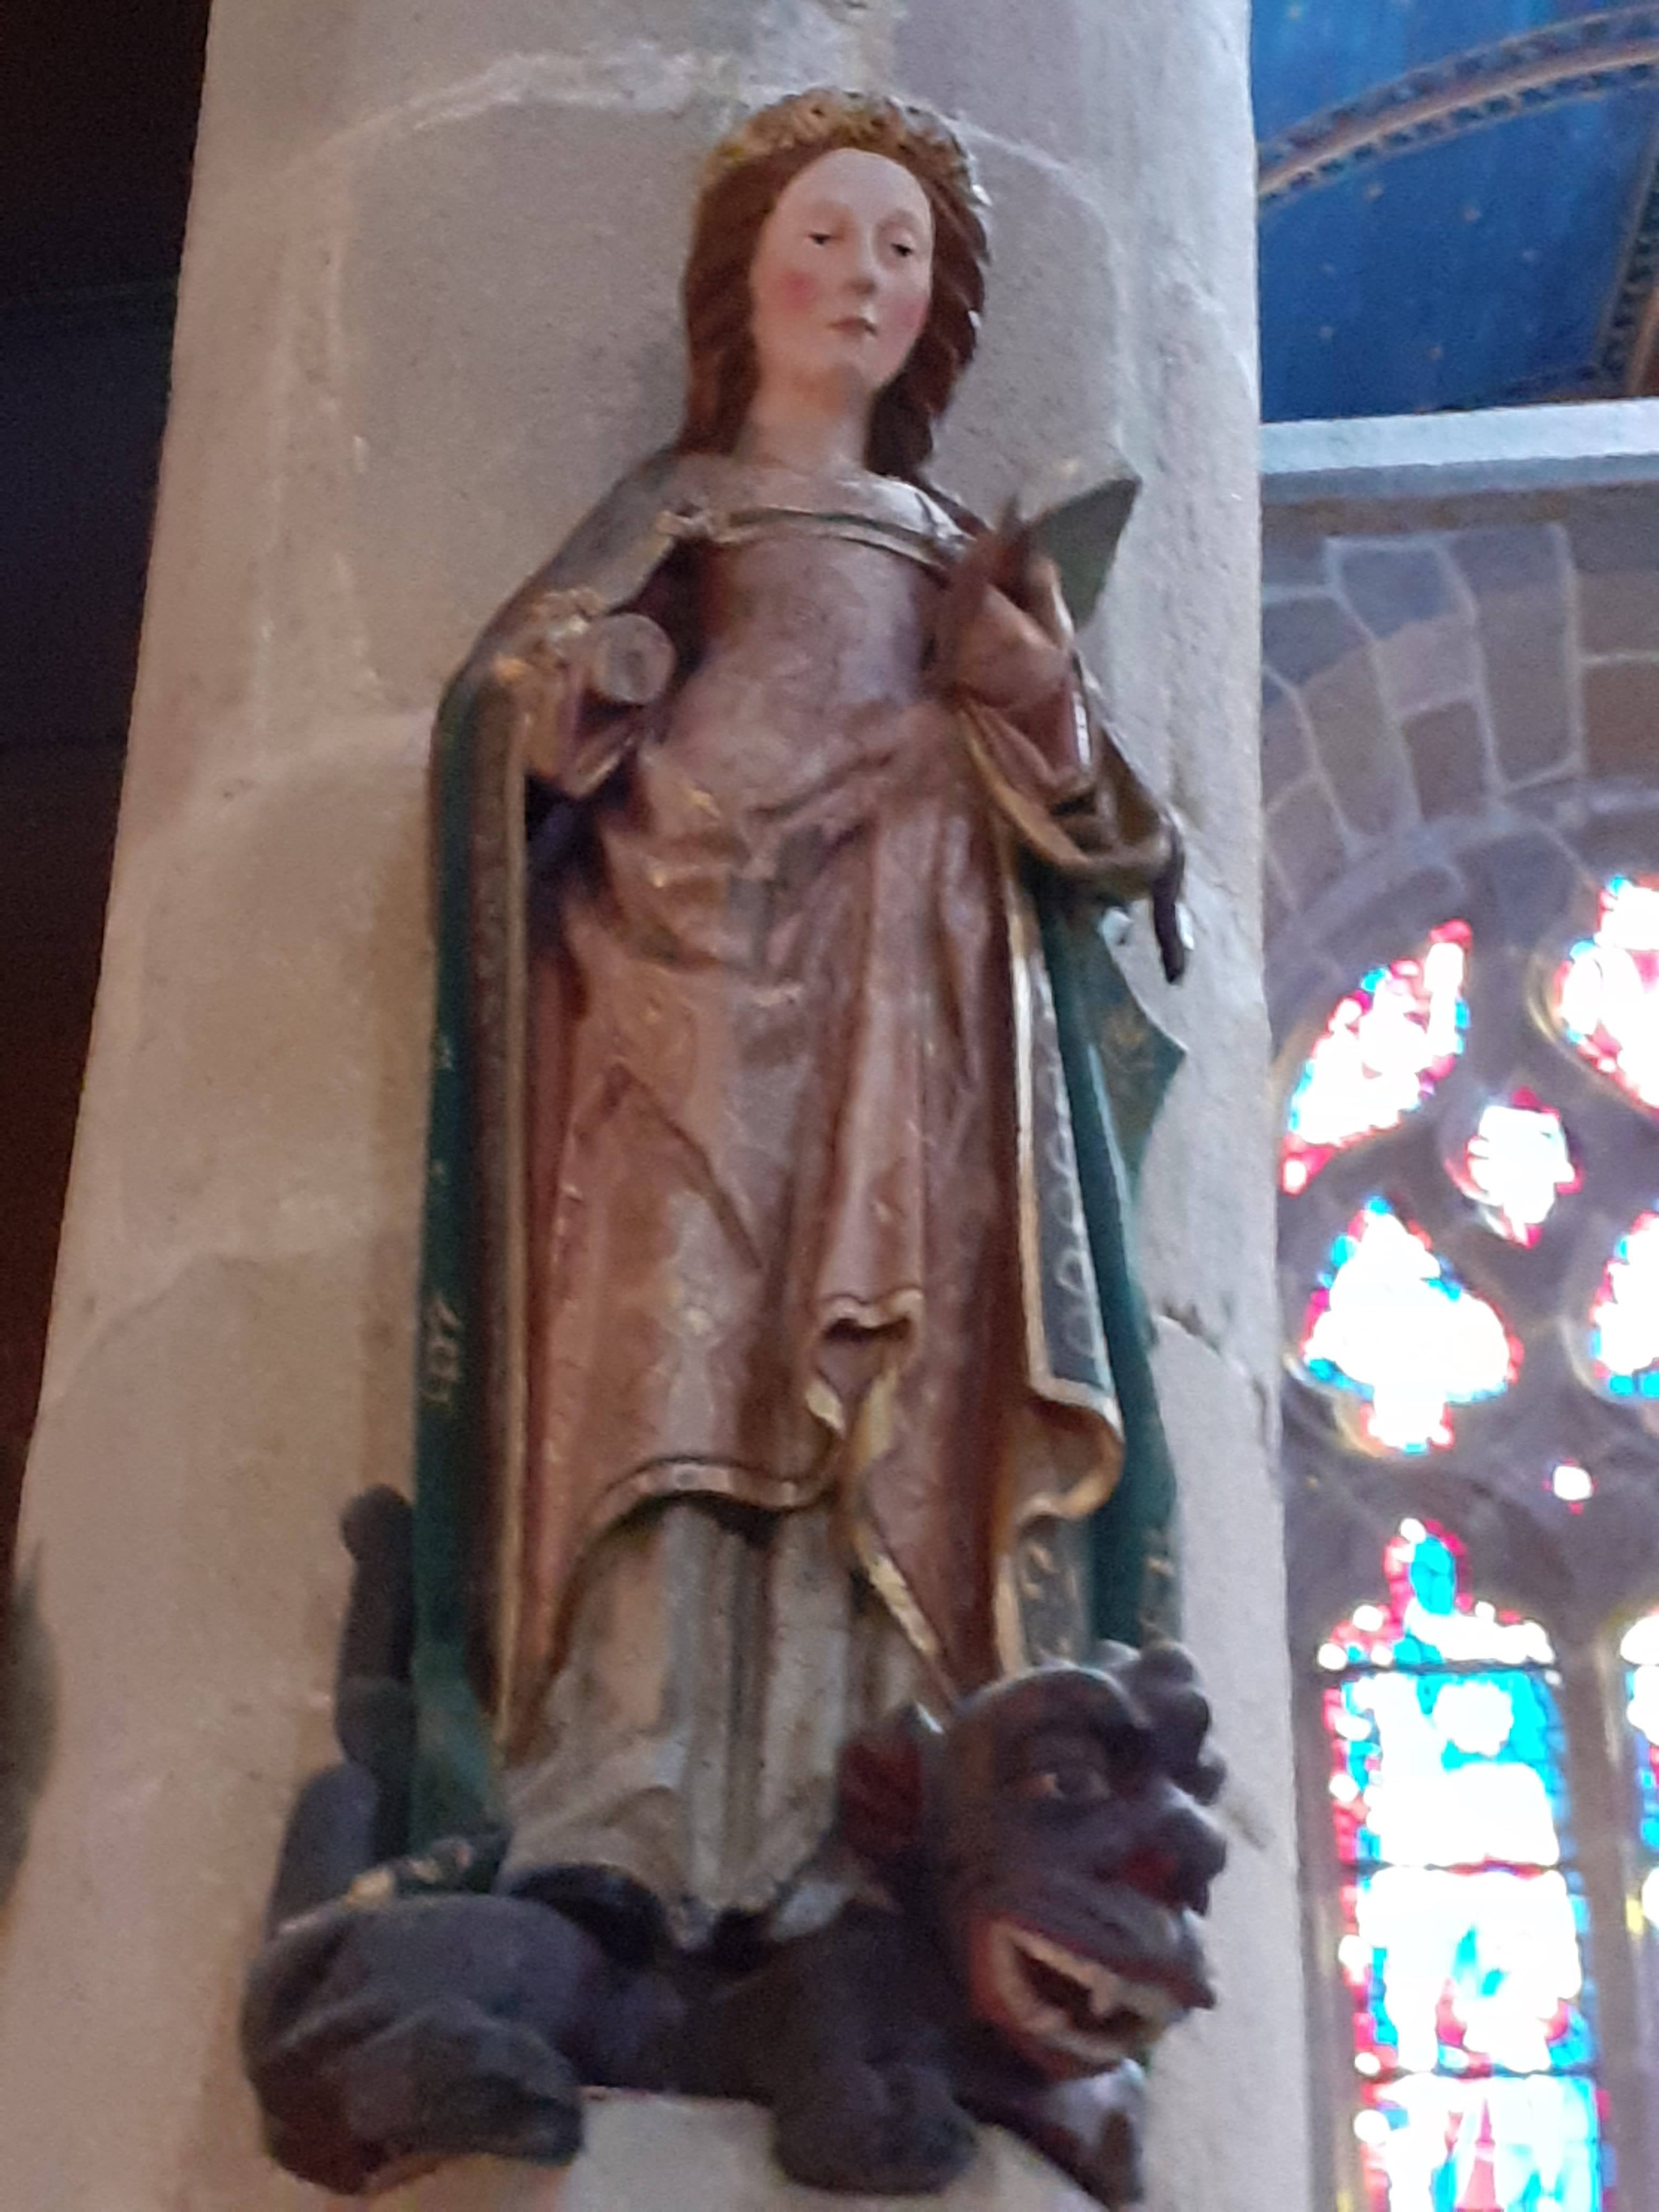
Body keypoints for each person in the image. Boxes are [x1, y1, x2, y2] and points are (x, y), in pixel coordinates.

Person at [408, 89, 1186, 1952]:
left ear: (938, 309)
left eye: (901, 251)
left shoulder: (950, 541)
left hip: (898, 1007)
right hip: (669, 967)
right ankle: (627, 1790)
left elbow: (1111, 842)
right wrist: (597, 680)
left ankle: (866, 1806)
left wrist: (1031, 697)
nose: (861, 279)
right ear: (741, 277)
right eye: (823, 238)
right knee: (660, 1359)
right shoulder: (670, 510)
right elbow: (499, 731)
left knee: (894, 1393)